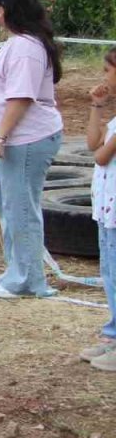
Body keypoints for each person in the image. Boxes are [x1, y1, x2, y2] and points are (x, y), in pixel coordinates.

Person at [0, 0, 64, 297]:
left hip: (26, 140)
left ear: (7, 7)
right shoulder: (19, 43)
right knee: (11, 208)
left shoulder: (26, 48)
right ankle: (15, 273)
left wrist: (0, 135)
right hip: (17, 141)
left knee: (22, 210)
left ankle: (28, 281)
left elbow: (21, 97)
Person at [84, 48, 116, 371]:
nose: (104, 75)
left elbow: (101, 156)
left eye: (108, 69)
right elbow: (92, 142)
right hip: (108, 208)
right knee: (110, 272)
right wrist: (97, 107)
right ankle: (112, 332)